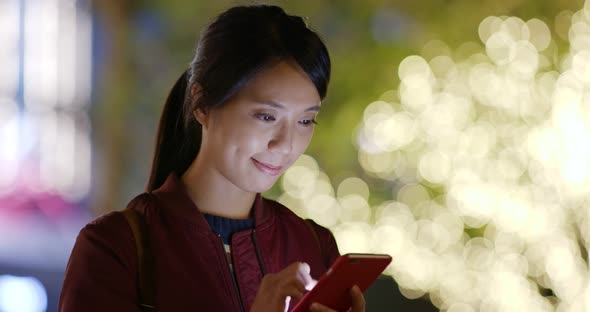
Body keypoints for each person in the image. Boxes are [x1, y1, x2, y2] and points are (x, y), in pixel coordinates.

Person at [58, 4, 366, 312]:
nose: (285, 144)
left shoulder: (313, 246)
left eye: (305, 121)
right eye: (266, 116)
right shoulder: (114, 248)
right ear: (202, 104)